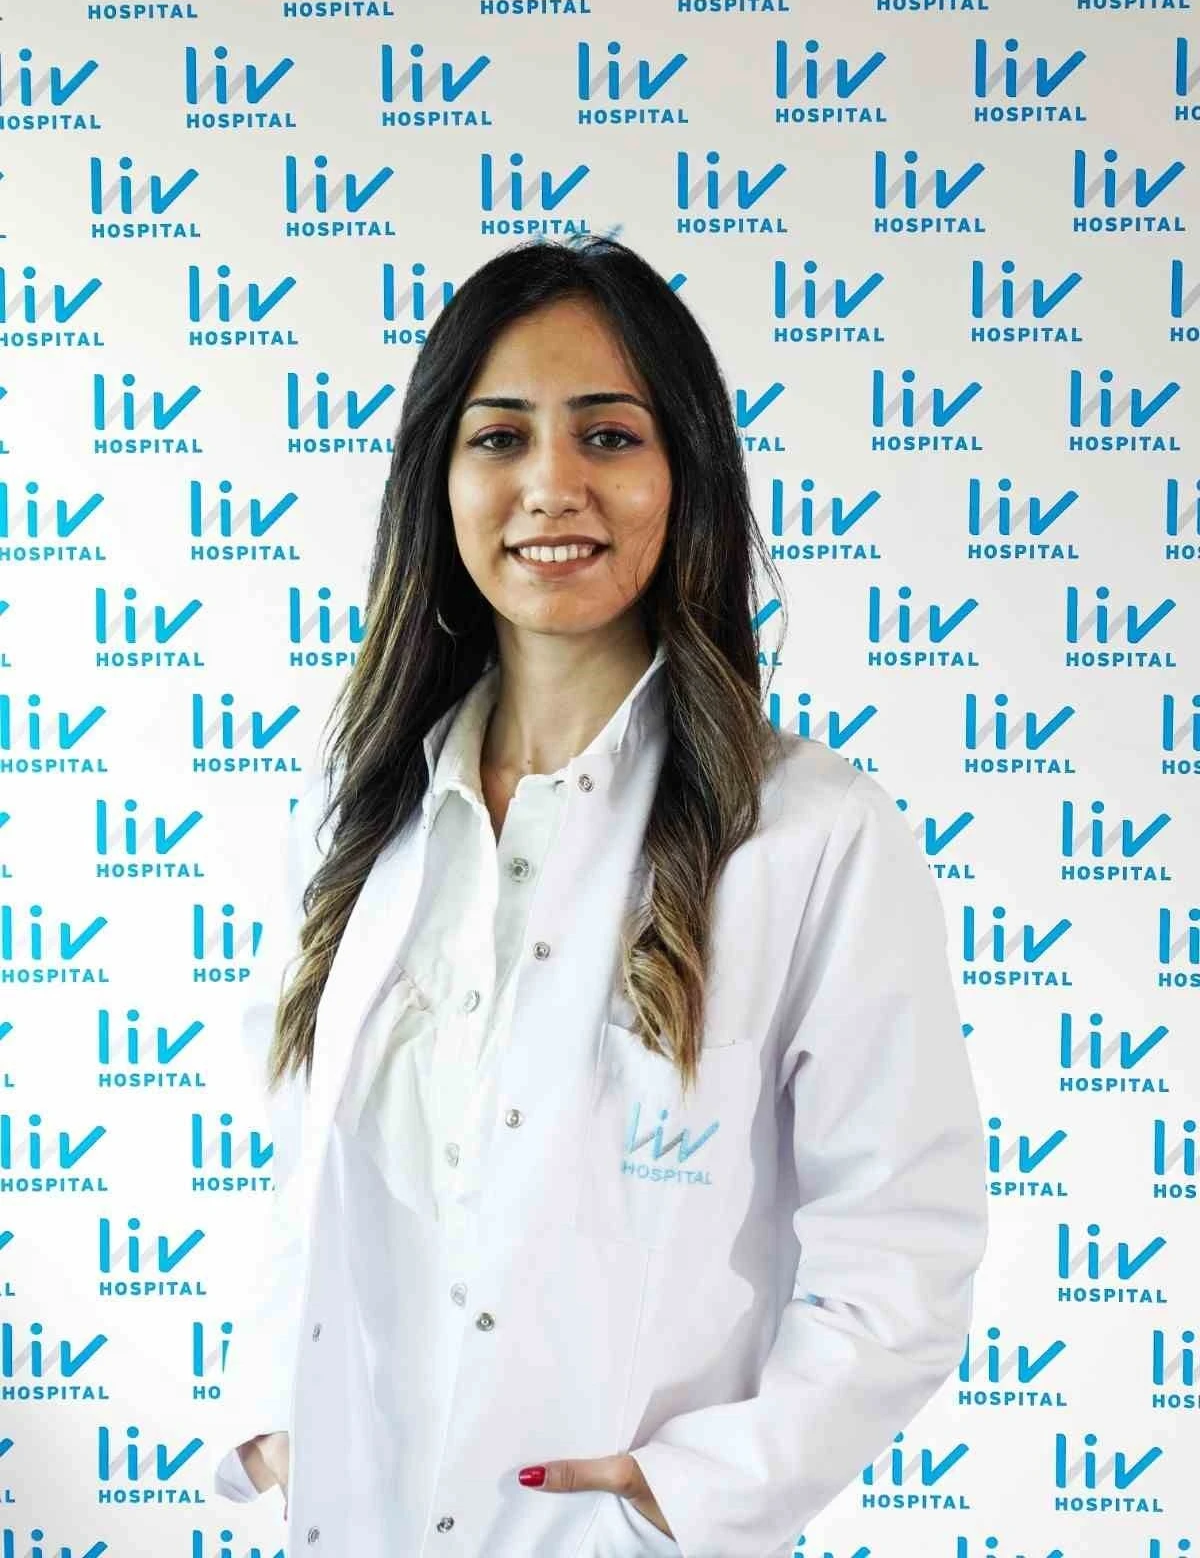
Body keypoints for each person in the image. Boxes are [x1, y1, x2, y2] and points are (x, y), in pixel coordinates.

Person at [203, 235, 989, 1558]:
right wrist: (273, 1422)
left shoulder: (809, 835)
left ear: (687, 475)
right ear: (440, 480)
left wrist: (694, 1491)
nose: (551, 485)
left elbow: (901, 1243)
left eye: (609, 437)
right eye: (499, 437)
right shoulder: (355, 818)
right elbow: (300, 1174)